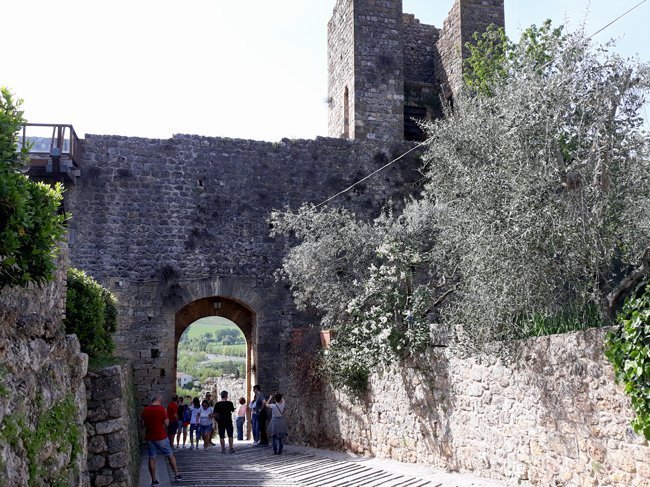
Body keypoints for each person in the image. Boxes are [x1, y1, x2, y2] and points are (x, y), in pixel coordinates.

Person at [140, 394, 182, 485]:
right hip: (161, 436)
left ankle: (154, 480)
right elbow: (167, 423)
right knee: (170, 454)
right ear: (159, 400)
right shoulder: (162, 409)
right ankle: (177, 474)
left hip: (150, 437)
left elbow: (142, 425)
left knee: (152, 458)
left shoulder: (145, 410)